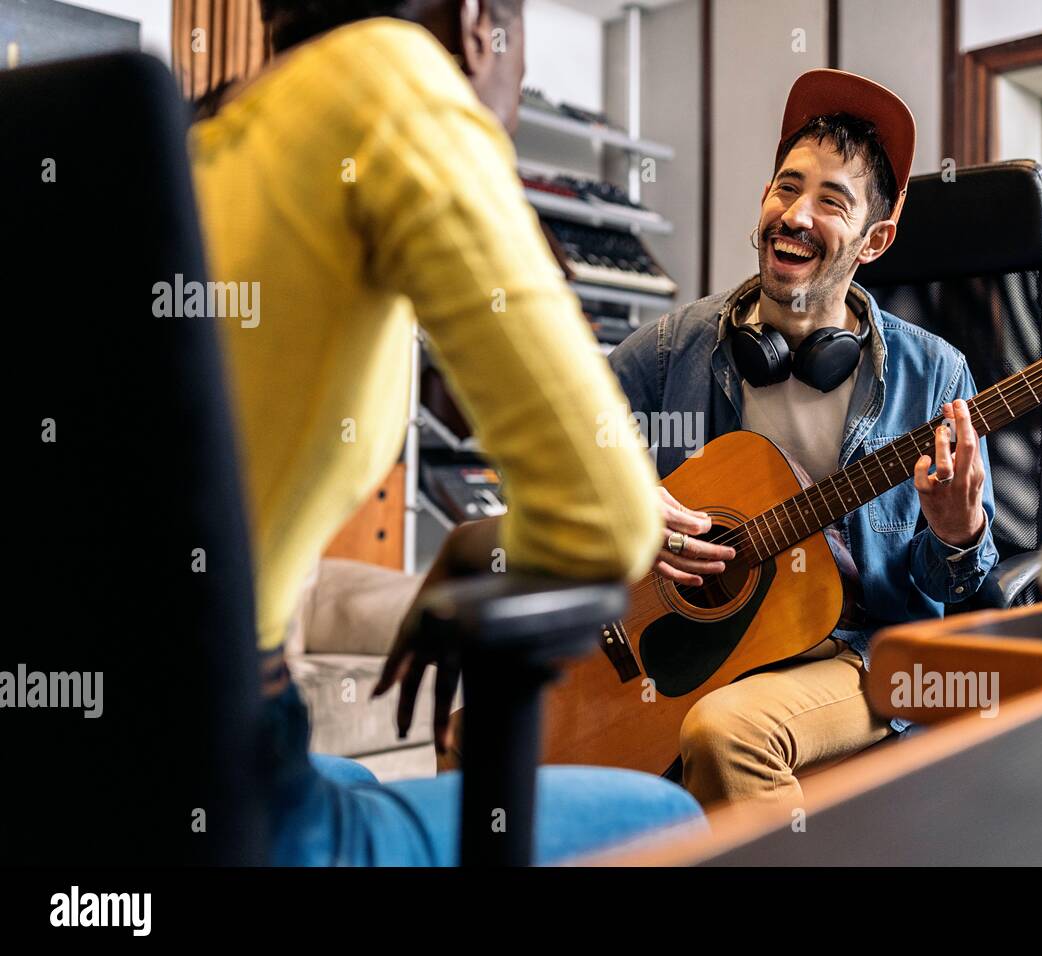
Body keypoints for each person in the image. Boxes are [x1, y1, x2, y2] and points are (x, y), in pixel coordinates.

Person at [189, 0, 703, 864]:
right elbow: (608, 520)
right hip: (237, 798)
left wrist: (481, 544)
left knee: (358, 780)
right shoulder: (393, 81)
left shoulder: (191, 135)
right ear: (477, 27)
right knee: (671, 816)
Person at [608, 70, 999, 808]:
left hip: (860, 651)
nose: (795, 214)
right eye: (786, 188)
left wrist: (958, 531)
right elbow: (562, 454)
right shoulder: (670, 351)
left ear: (876, 240)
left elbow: (965, 595)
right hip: (703, 645)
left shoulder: (935, 374)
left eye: (831, 201)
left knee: (726, 733)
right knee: (485, 725)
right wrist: (625, 510)